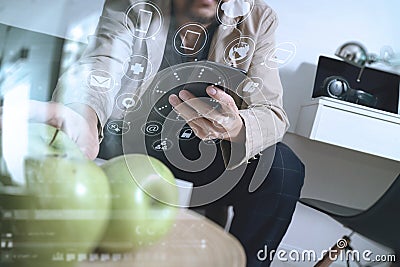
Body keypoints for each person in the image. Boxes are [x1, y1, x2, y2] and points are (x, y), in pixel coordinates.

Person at [30, 0, 305, 266]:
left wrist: (236, 126)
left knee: (284, 168)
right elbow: (102, 62)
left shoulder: (258, 18)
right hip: (125, 144)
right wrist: (85, 117)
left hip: (202, 153)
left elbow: (272, 113)